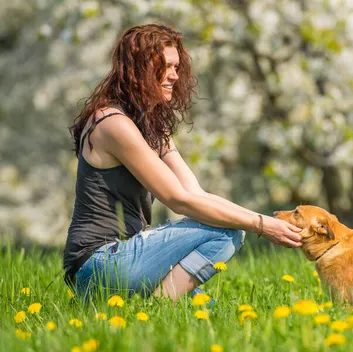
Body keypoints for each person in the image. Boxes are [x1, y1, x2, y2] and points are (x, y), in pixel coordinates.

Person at [62, 24, 302, 302]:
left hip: (126, 261)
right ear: (138, 69)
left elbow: (195, 194)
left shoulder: (150, 127)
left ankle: (155, 306)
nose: (175, 76)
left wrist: (262, 220)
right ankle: (156, 309)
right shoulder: (113, 124)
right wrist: (259, 225)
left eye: (177, 67)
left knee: (205, 309)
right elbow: (177, 200)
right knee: (229, 232)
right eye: (166, 66)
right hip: (100, 265)